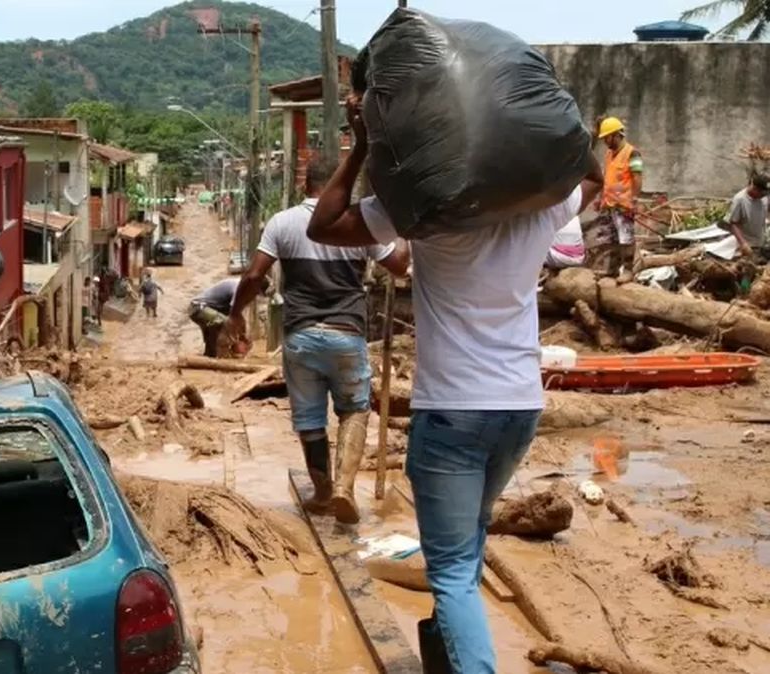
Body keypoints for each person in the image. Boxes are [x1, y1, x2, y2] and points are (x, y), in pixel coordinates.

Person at [307, 94, 603, 674]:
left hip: (453, 416)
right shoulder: (538, 209)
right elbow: (593, 175)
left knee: (449, 574)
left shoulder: (424, 209)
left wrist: (363, 142)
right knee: (467, 541)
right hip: (519, 409)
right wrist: (565, 121)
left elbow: (324, 223)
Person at [225, 158, 409, 523]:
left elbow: (253, 275)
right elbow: (400, 265)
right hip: (346, 334)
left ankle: (322, 492)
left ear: (304, 185)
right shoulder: (358, 224)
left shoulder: (282, 222)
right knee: (354, 410)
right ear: (344, 187)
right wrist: (401, 225)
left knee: (309, 417)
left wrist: (235, 313)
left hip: (300, 337)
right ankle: (343, 487)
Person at [588, 116, 643, 275]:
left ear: (617, 135)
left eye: (607, 138)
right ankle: (611, 270)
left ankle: (627, 271)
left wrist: (634, 200)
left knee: (626, 239)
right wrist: (600, 199)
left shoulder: (632, 153)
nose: (605, 141)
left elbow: (637, 177)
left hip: (624, 205)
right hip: (609, 204)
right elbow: (607, 177)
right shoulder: (609, 154)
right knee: (610, 239)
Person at [188, 277, 268, 357]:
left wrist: (242, 336)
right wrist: (237, 341)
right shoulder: (239, 289)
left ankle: (211, 356)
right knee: (225, 323)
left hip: (208, 309)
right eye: (256, 292)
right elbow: (234, 318)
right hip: (197, 308)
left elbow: (238, 316)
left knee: (214, 339)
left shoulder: (243, 288)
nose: (255, 295)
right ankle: (222, 356)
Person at [720, 173, 768, 259]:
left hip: (760, 242)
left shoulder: (763, 197)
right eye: (762, 194)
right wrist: (743, 244)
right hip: (747, 244)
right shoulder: (740, 200)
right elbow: (733, 223)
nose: (763, 196)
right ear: (755, 188)